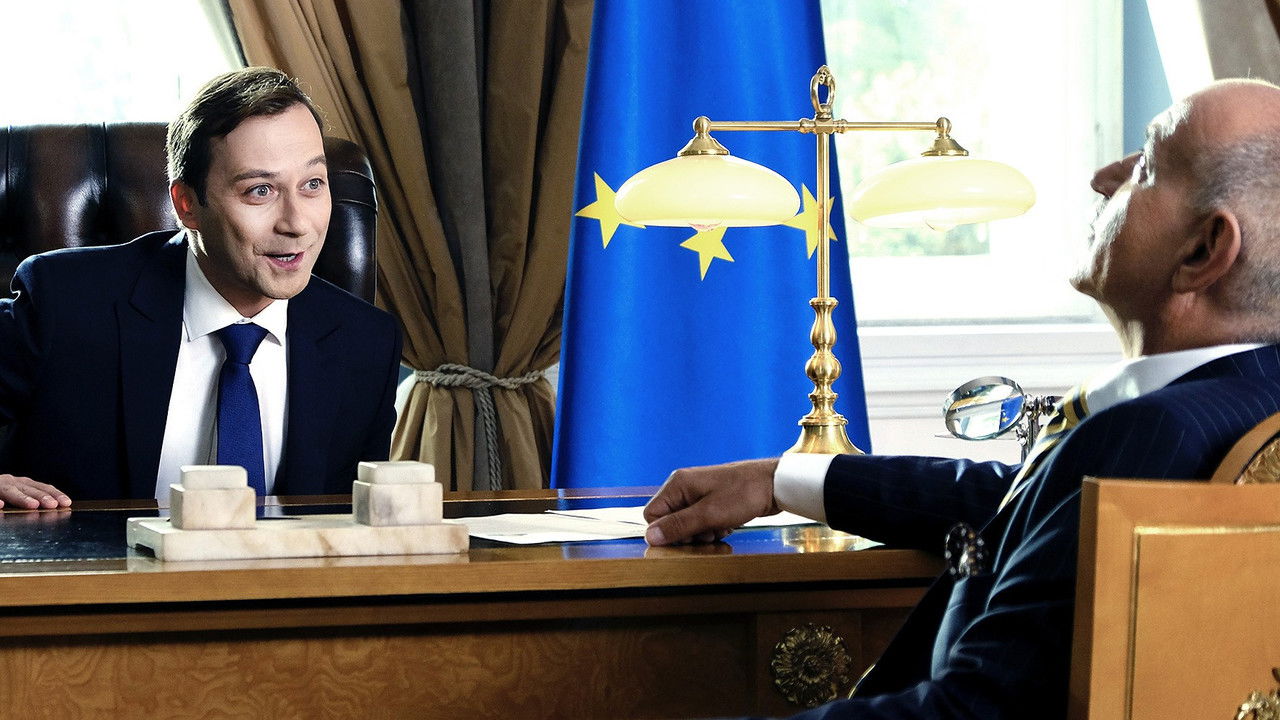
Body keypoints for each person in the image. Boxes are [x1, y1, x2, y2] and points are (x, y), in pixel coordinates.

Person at [644, 78, 1280, 718]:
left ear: (1203, 250)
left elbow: (972, 713)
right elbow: (1024, 503)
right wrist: (780, 480)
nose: (1103, 177)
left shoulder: (1145, 434)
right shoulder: (1239, 406)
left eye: (1145, 166)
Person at [0, 67, 402, 508]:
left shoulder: (367, 342)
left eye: (312, 184)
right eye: (260, 191)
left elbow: (352, 527)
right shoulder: (63, 301)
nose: (297, 224)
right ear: (187, 205)